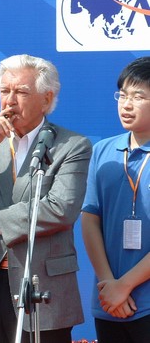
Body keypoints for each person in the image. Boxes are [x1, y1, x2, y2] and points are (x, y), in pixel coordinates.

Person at [0, 54, 92, 343]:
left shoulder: (71, 145)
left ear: (46, 98)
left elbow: (60, 209)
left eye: (21, 92)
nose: (10, 101)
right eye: (5, 91)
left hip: (43, 282)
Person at [81, 56, 150, 343]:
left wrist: (125, 285)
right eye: (122, 95)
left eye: (138, 97)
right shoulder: (103, 151)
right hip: (108, 301)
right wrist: (108, 282)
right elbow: (90, 219)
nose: (126, 104)